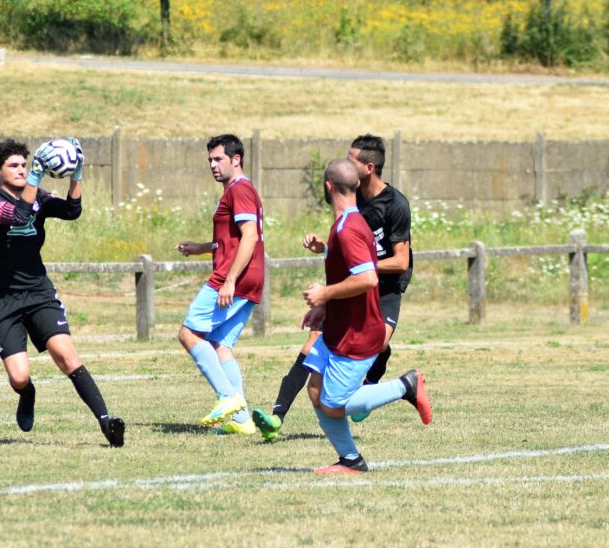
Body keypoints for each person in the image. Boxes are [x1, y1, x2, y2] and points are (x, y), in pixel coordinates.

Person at [253, 134, 416, 441]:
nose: (345, 162)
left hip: (383, 292)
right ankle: (277, 417)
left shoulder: (395, 205)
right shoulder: (351, 200)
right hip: (349, 289)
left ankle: (374, 387)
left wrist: (362, 267)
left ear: (368, 168)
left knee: (377, 345)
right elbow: (349, 252)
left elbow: (401, 262)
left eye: (351, 159)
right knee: (311, 347)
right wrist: (325, 248)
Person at [0, 137, 124, 447]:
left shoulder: (39, 195)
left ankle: (107, 422)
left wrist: (77, 173)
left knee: (67, 356)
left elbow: (71, 211)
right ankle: (27, 394)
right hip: (2, 297)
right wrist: (37, 177)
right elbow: (17, 216)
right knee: (18, 377)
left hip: (39, 292)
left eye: (24, 165)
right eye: (14, 166)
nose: (21, 170)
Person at [295, 159, 431, 474]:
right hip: (337, 329)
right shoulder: (347, 225)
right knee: (315, 389)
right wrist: (325, 308)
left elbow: (368, 279)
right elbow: (351, 272)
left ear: (328, 187)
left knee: (334, 404)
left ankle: (406, 386)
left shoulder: (349, 229)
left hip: (357, 334)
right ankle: (351, 460)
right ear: (356, 185)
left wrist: (325, 294)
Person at [175, 134, 265, 435]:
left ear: (236, 159)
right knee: (220, 346)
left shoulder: (240, 189)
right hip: (247, 278)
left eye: (218, 159)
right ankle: (241, 422)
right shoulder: (234, 190)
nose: (213, 165)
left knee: (188, 334)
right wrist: (202, 248)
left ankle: (229, 398)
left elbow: (250, 236)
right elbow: (232, 239)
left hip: (233, 279)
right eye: (210, 160)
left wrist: (229, 280)